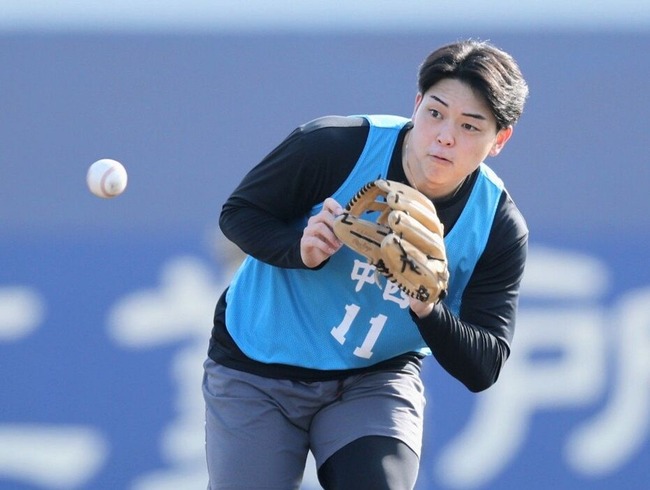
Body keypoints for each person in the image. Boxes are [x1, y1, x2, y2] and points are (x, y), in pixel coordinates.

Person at [203, 39, 529, 490]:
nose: (445, 136)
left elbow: (484, 365)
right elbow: (238, 214)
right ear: (416, 104)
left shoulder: (496, 225)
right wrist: (299, 248)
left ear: (500, 139)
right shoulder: (337, 146)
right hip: (259, 363)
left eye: (470, 126)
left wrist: (427, 306)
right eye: (435, 113)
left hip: (374, 379)